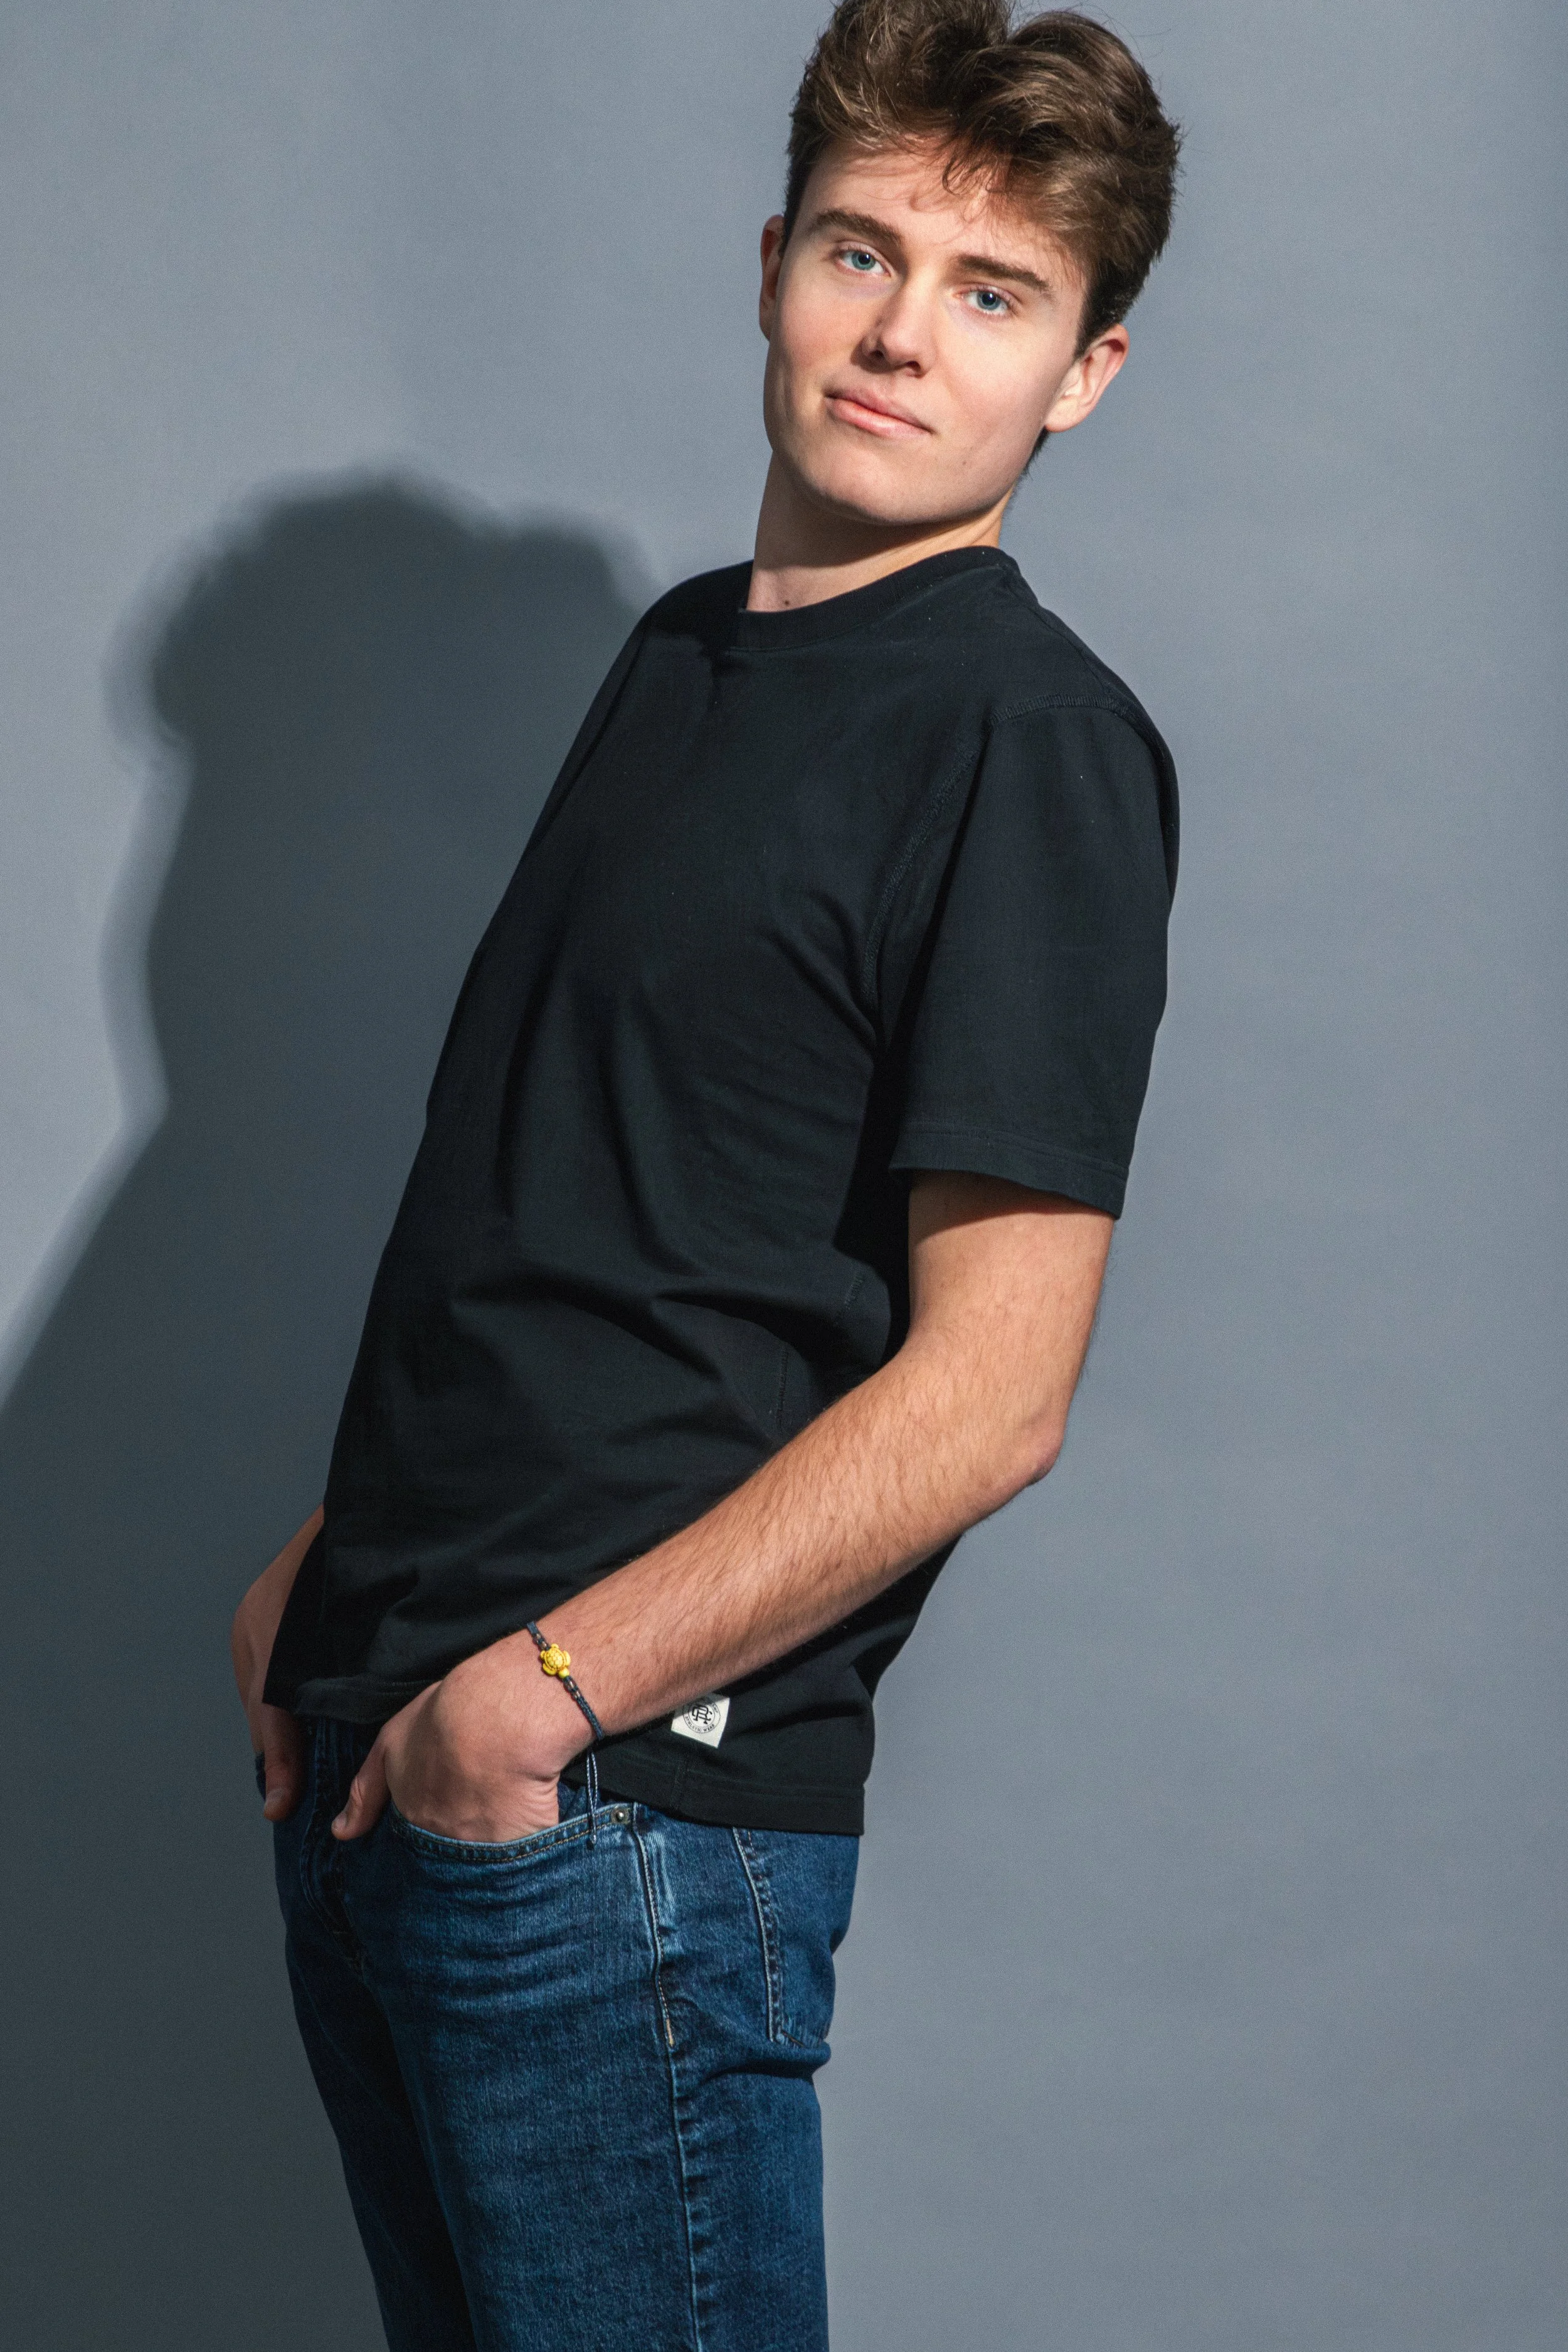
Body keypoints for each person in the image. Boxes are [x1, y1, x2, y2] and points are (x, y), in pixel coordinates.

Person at [231, 4, 1182, 2344]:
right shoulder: (681, 659)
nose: (899, 335)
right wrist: (337, 1578)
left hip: (609, 1814)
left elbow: (996, 1389)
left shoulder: (1028, 741)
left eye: (993, 292)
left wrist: (543, 1693)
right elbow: (594, 1195)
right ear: (771, 261)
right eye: (862, 250)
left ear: (1082, 375)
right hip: (389, 1751)